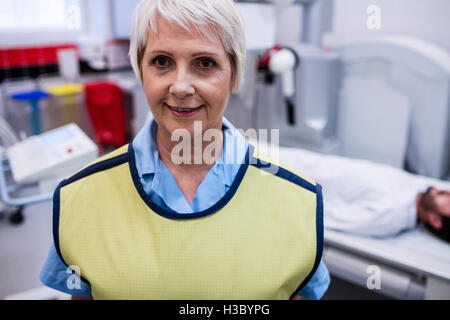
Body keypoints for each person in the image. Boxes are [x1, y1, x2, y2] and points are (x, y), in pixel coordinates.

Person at [40, 0, 330, 300]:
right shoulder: (82, 198)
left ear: (233, 74)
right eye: (162, 62)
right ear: (141, 69)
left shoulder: (296, 202)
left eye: (204, 63)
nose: (180, 87)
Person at [278, 146, 450, 242]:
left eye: (449, 202)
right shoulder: (415, 187)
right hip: (299, 158)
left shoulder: (390, 214)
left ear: (435, 221)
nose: (447, 194)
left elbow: (328, 216)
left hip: (282, 176)